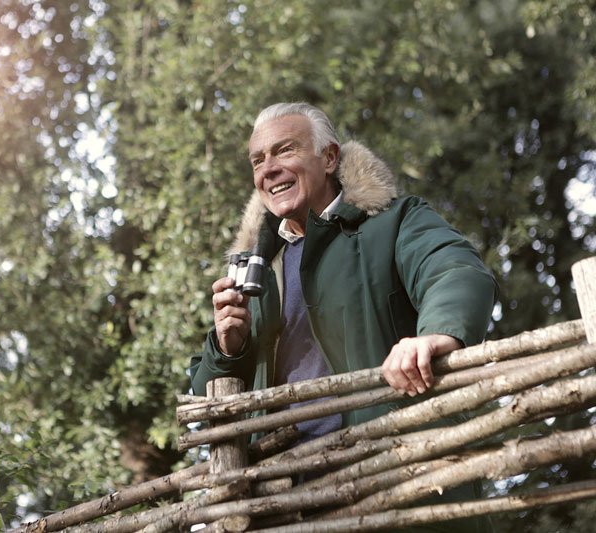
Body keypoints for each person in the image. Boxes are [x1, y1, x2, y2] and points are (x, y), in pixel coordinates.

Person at [189, 102, 497, 529]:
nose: (269, 169)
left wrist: (435, 334)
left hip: (391, 483)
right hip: (284, 502)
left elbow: (454, 269)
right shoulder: (254, 271)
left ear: (329, 157)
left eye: (285, 151)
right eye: (258, 160)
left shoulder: (393, 223)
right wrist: (227, 349)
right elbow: (208, 402)